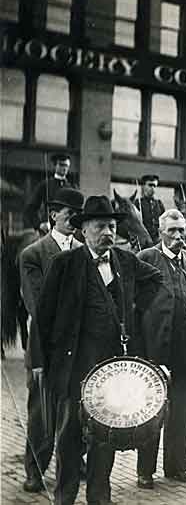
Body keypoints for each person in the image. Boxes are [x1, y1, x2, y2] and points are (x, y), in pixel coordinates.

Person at [36, 195, 163, 505]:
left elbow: (155, 279)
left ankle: (99, 497)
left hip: (112, 370)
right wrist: (42, 362)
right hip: (74, 365)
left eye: (112, 226)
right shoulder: (64, 264)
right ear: (84, 230)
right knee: (69, 439)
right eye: (100, 226)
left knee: (104, 438)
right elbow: (43, 316)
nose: (108, 232)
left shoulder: (126, 261)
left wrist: (132, 310)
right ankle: (64, 498)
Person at [19, 188, 85, 493]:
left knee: (76, 411)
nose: (73, 219)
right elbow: (37, 305)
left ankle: (73, 464)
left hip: (79, 345)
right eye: (68, 213)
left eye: (78, 214)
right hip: (46, 344)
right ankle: (35, 469)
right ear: (53, 215)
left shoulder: (86, 251)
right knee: (42, 411)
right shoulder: (33, 254)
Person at [135, 210, 186, 489]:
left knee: (183, 410)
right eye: (172, 231)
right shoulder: (146, 259)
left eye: (182, 231)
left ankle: (177, 467)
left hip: (184, 350)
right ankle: (145, 471)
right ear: (160, 232)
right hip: (154, 351)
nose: (178, 236)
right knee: (152, 410)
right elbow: (134, 306)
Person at [24, 152, 78, 232]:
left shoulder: (72, 187)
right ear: (55, 166)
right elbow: (31, 209)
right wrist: (39, 224)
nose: (64, 168)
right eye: (61, 165)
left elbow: (76, 210)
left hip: (67, 228)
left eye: (66, 166)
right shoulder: (45, 185)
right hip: (48, 228)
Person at [135, 175, 165, 243]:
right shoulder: (137, 203)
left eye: (154, 186)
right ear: (143, 186)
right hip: (143, 241)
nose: (153, 188)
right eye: (150, 185)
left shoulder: (159, 204)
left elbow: (164, 223)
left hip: (157, 241)